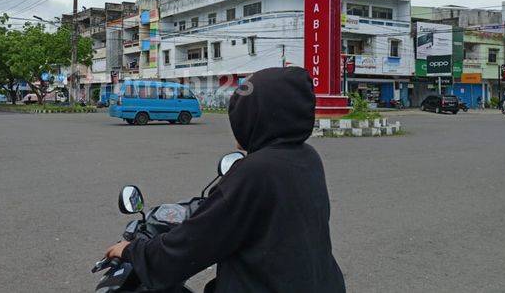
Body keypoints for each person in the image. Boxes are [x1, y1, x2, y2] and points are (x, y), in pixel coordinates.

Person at [104, 67, 345, 292]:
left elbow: (194, 243)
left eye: (242, 112)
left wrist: (132, 251)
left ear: (257, 116)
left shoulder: (256, 171)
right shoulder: (306, 156)